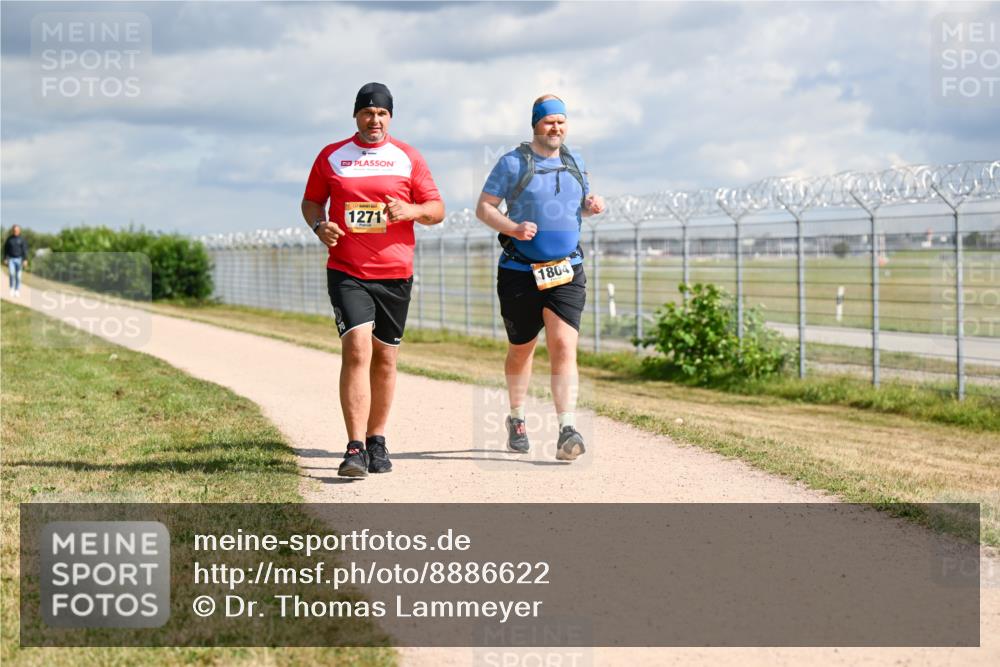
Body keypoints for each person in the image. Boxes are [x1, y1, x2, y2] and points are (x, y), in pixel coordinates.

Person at [301, 82, 445, 478]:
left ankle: (377, 438)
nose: (374, 120)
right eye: (367, 113)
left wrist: (410, 210)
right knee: (358, 350)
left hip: (395, 274)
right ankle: (354, 447)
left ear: (390, 117)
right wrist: (319, 226)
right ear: (356, 116)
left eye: (381, 113)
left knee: (385, 358)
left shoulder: (407, 157)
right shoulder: (333, 156)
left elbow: (437, 209)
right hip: (347, 270)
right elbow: (311, 201)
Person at [475, 95, 605, 461]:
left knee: (564, 345)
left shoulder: (574, 161)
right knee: (523, 348)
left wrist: (591, 207)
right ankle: (517, 417)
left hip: (567, 269)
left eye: (562, 121)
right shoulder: (513, 162)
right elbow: (484, 207)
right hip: (520, 272)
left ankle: (567, 428)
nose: (556, 127)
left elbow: (575, 208)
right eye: (549, 121)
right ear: (536, 124)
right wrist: (513, 228)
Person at [3, 225, 28, 297]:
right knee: (11, 273)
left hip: (19, 259)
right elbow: (6, 249)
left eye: (17, 230)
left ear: (19, 231)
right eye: (14, 230)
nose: (15, 231)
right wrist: (5, 258)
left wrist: (25, 259)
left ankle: (17, 290)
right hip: (11, 259)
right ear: (12, 230)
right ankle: (11, 288)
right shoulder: (9, 239)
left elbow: (25, 250)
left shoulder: (22, 239)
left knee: (18, 276)